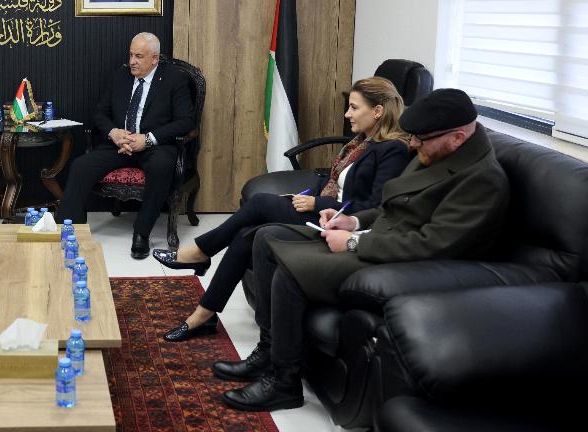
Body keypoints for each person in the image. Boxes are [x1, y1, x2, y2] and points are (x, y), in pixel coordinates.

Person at [216, 88, 510, 412]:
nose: (412, 144)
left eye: (419, 139)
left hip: (401, 262)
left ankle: (283, 382)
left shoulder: (483, 180)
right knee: (267, 238)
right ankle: (268, 351)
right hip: (377, 235)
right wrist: (352, 221)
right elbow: (391, 205)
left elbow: (430, 245)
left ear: (457, 138)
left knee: (290, 272)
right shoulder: (437, 149)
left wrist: (355, 241)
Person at [153, 77, 411, 341]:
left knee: (261, 202)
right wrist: (308, 196)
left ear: (377, 111)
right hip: (325, 213)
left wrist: (318, 203)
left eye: (354, 108)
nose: (347, 114)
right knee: (246, 234)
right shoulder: (362, 142)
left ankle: (200, 252)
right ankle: (204, 315)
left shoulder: (393, 150)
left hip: (341, 224)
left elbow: (375, 206)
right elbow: (334, 180)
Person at [57, 32, 195, 259]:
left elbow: (186, 121)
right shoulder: (121, 75)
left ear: (154, 59)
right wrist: (114, 133)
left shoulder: (174, 79)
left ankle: (141, 233)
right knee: (81, 166)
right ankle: (71, 231)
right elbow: (100, 113)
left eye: (139, 56)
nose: (132, 61)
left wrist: (147, 139)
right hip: (119, 144)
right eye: (131, 55)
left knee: (161, 167)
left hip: (154, 146)